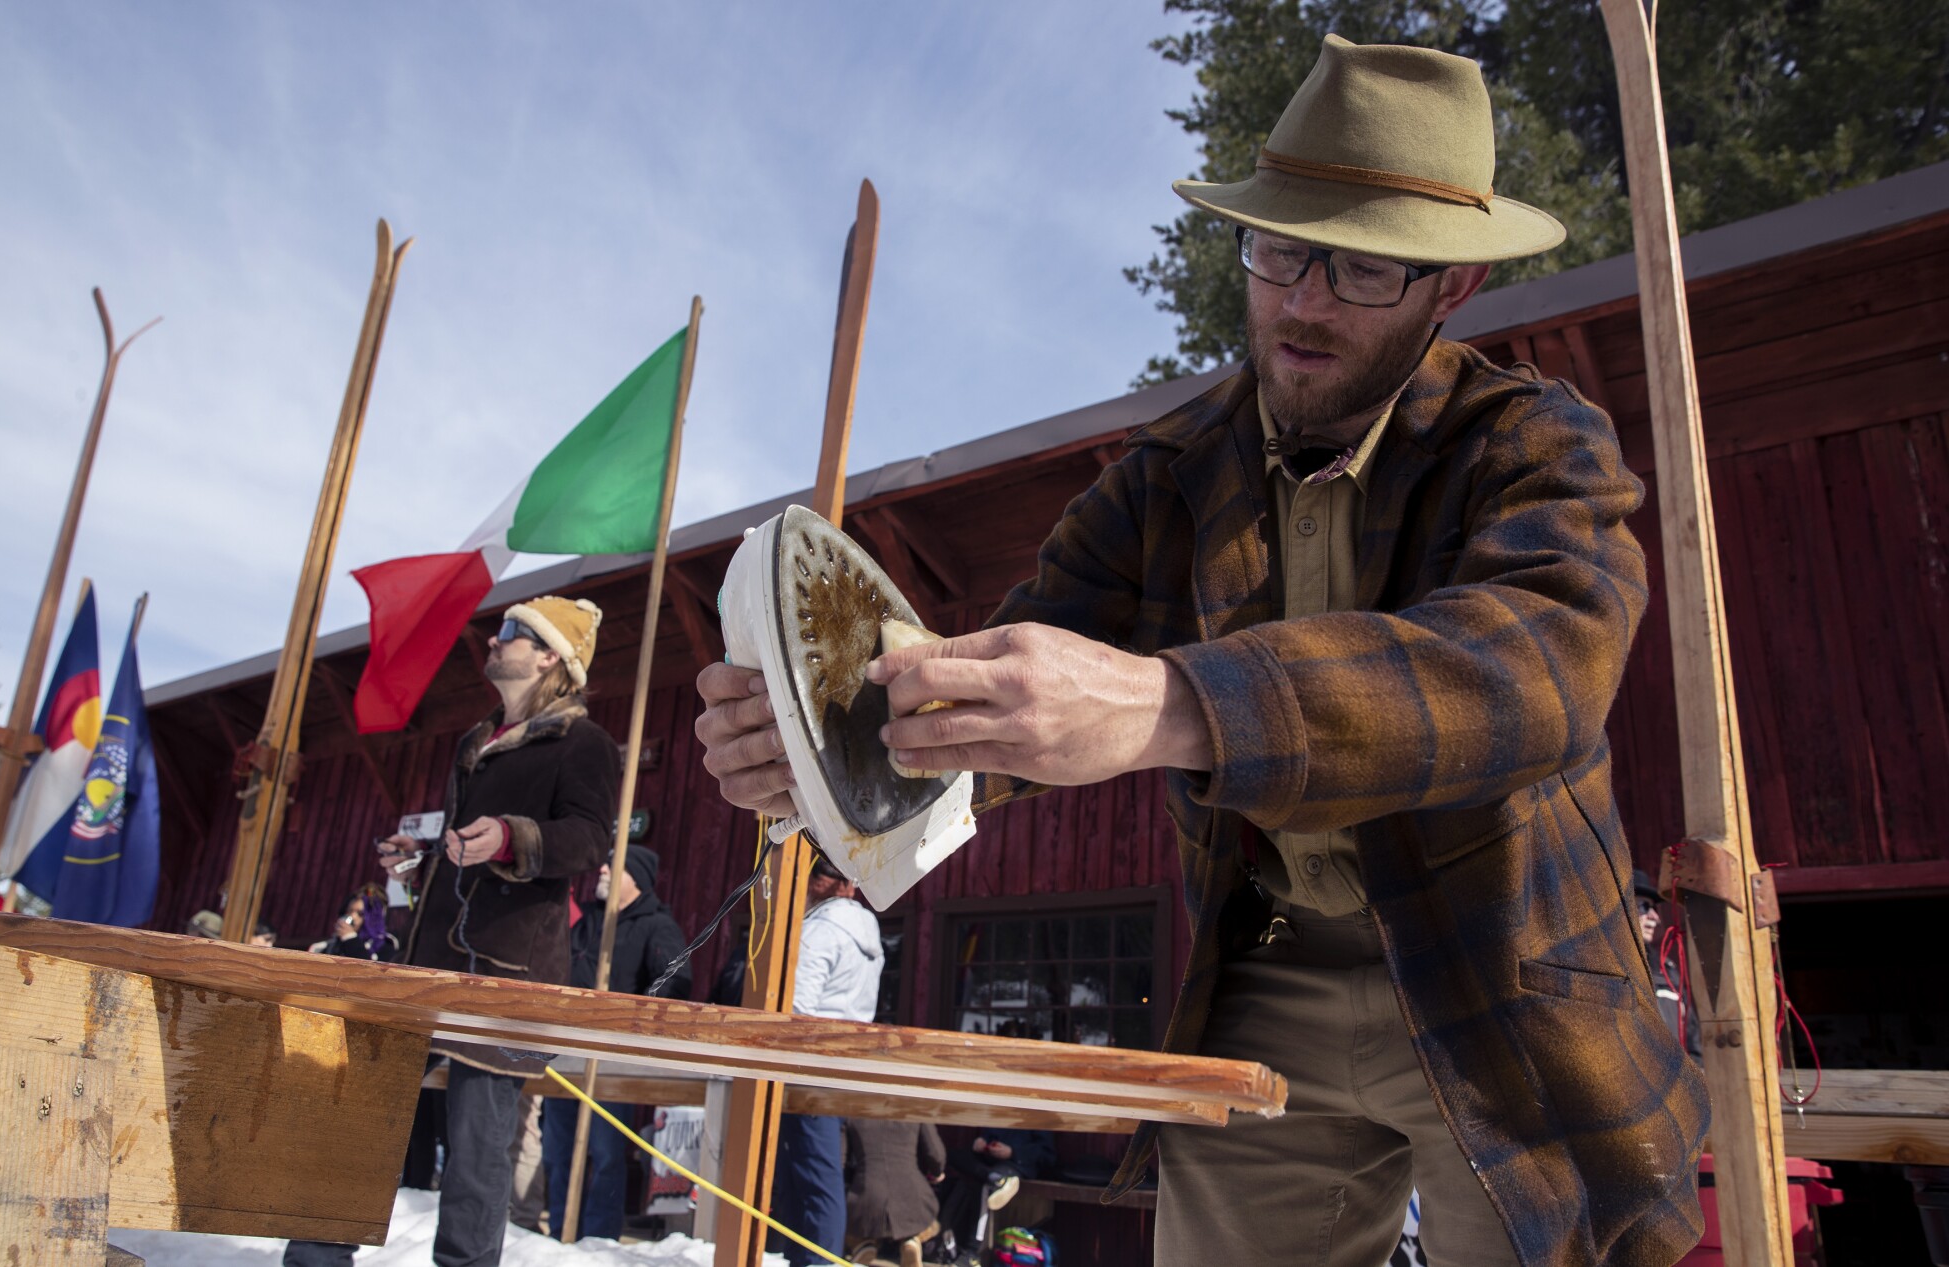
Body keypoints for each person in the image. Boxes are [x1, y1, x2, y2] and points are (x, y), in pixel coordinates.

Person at [695, 35, 1709, 1267]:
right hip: (1267, 966)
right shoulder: (1168, 474)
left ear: (1449, 290)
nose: (1302, 299)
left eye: (1360, 269)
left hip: (1495, 969)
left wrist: (1174, 703)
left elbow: (1529, 673)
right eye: (1278, 248)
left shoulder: (1536, 445)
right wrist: (818, 748)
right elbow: (1004, 691)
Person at [284, 596, 619, 1267]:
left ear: (549, 655)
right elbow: (466, 843)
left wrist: (508, 837)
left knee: (476, 1150)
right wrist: (425, 854)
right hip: (430, 960)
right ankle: (315, 1259)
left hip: (508, 972)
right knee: (361, 1117)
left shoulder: (586, 744)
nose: (495, 641)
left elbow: (587, 841)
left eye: (512, 633)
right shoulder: (476, 740)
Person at [540, 843, 691, 1240]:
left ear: (634, 878)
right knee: (558, 1152)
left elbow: (675, 983)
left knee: (606, 1154)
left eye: (613, 866)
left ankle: (597, 1239)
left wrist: (629, 1020)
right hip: (567, 1051)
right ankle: (560, 1232)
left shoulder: (656, 925)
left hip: (612, 1056)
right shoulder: (588, 921)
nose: (602, 871)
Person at [770, 853, 884, 1266]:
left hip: (807, 1064)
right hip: (840, 1065)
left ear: (824, 882)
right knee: (812, 1172)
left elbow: (797, 1008)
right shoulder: (867, 931)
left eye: (808, 876)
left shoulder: (818, 931)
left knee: (813, 1177)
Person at [935, 1128, 1055, 1261]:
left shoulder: (1037, 1115)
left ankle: (973, 1252)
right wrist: (982, 1142)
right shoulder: (1002, 1110)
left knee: (984, 1187)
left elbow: (1046, 1154)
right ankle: (995, 1178)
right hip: (989, 1163)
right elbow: (989, 1136)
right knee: (952, 1155)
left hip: (1017, 1165)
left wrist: (1013, 1152)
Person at [843, 1118, 946, 1267]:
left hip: (866, 1193)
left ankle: (862, 1244)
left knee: (852, 1221)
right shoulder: (913, 1109)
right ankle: (912, 1240)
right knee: (929, 1221)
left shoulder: (854, 1111)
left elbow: (840, 1158)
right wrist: (937, 1172)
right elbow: (935, 1153)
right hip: (912, 1194)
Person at [1635, 868, 1702, 1059]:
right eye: (1644, 907)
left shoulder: (1667, 971)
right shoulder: (1605, 969)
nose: (1655, 917)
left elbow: (1693, 1043)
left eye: (1654, 908)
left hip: (1676, 1084)